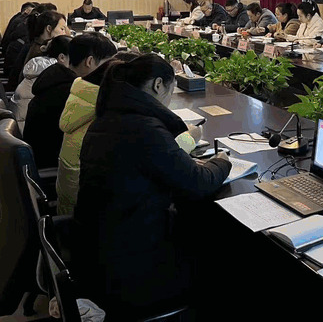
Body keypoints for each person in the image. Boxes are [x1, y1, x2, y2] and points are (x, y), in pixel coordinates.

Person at [73, 54, 231, 317]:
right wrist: (222, 162)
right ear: (158, 85)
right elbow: (199, 182)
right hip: (132, 270)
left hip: (99, 254)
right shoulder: (144, 127)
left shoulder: (108, 117)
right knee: (217, 261)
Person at [56, 51, 205, 216]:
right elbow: (160, 156)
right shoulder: (119, 115)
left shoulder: (94, 101)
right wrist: (189, 139)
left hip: (79, 210)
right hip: (105, 218)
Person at [23, 33, 114, 169]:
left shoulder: (56, 79)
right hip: (52, 165)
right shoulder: (74, 93)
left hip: (42, 160)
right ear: (89, 62)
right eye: (108, 65)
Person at [8, 35, 72, 129]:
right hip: (23, 129)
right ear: (62, 57)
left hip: (19, 126)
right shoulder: (53, 76)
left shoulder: (41, 67)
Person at [9, 9, 69, 88]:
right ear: (49, 28)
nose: (64, 33)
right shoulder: (42, 53)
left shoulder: (35, 44)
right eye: (62, 29)